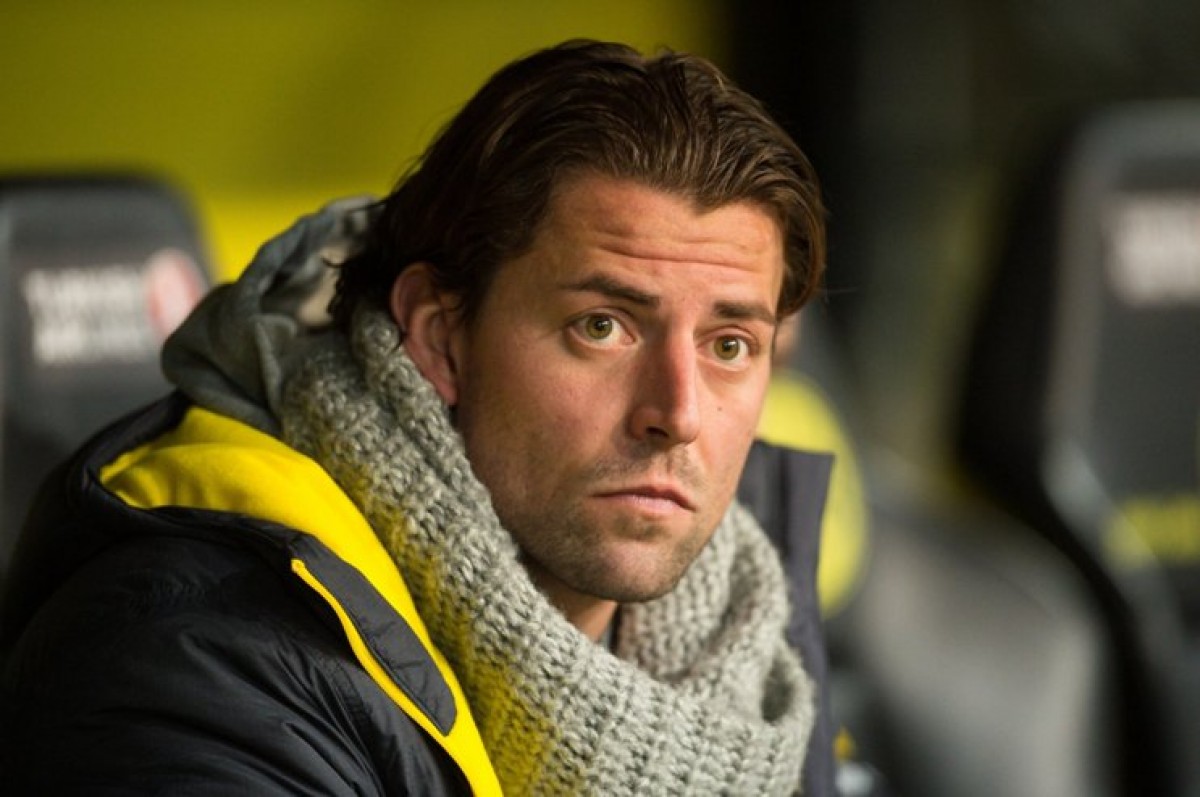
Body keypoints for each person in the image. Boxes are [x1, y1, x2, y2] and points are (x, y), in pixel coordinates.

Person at [0, 39, 832, 795]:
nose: (678, 413)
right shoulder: (199, 672)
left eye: (730, 345)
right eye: (602, 327)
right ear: (439, 337)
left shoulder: (750, 650)